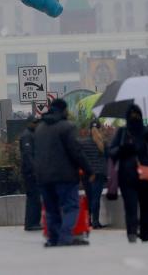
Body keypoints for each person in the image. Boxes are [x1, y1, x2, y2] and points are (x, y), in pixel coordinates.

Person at [33, 98, 91, 247]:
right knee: (71, 206)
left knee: (51, 209)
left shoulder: (39, 128)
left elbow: (35, 154)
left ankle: (53, 239)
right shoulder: (67, 127)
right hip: (64, 176)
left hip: (44, 177)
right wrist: (88, 170)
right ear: (64, 110)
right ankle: (65, 237)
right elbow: (76, 151)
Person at [108, 104, 148, 243]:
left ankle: (135, 232)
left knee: (134, 206)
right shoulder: (129, 132)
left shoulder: (138, 132)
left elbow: (111, 153)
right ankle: (141, 232)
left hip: (133, 176)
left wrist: (124, 149)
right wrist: (126, 149)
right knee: (142, 206)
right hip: (140, 175)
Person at [79, 120, 107, 229]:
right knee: (96, 198)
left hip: (87, 174)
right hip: (98, 173)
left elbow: (80, 157)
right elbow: (106, 158)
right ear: (99, 129)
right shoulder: (102, 143)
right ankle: (95, 221)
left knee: (89, 197)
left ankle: (89, 221)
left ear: (89, 130)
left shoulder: (83, 142)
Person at [19, 118, 42, 231]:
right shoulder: (27, 136)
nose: (36, 125)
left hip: (32, 171)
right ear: (29, 123)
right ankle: (31, 223)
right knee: (34, 197)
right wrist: (35, 169)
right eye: (34, 123)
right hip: (30, 172)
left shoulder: (32, 134)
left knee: (35, 198)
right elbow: (28, 155)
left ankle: (33, 222)